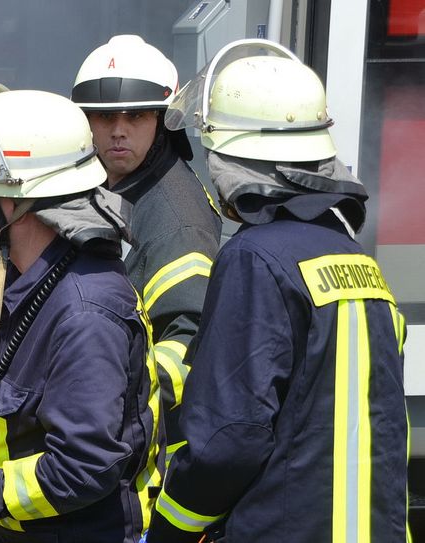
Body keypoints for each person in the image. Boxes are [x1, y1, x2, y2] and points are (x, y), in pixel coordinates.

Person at [145, 40, 409, 542]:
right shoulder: (359, 263)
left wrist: (171, 529)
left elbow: (229, 438)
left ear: (232, 160)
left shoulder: (255, 258)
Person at [0, 83, 162, 542]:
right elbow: (24, 375)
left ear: (17, 198)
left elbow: (85, 467)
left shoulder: (85, 311)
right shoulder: (32, 281)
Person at [71, 34, 222, 460]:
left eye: (135, 116)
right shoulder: (105, 185)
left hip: (142, 448)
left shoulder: (176, 219)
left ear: (162, 121)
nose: (118, 131)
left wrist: (98, 400)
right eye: (105, 117)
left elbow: (189, 343)